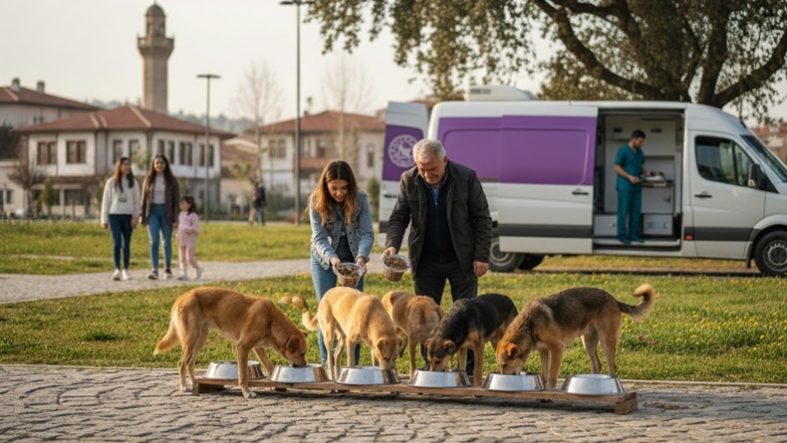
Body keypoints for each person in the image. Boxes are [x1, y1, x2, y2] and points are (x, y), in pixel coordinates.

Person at [383, 138, 492, 376]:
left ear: (445, 160)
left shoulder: (466, 177)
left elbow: (482, 218)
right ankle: (430, 369)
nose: (426, 174)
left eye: (431, 168)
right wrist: (392, 246)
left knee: (465, 315)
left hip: (461, 259)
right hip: (426, 261)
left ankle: (468, 371)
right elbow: (399, 217)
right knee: (424, 321)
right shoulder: (409, 179)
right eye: (421, 168)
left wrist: (481, 255)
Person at [309, 160, 374, 365]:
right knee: (326, 311)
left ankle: (351, 366)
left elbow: (366, 233)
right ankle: (328, 365)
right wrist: (333, 258)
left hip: (354, 260)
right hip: (325, 259)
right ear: (326, 186)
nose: (339, 193)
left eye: (344, 188)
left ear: (351, 186)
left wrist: (362, 257)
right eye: (334, 188)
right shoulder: (316, 201)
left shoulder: (361, 199)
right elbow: (318, 238)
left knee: (356, 312)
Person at [140, 154, 180, 280]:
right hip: (152, 212)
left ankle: (167, 269)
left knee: (166, 242)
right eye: (157, 163)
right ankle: (154, 270)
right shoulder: (148, 179)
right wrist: (142, 215)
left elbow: (176, 199)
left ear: (165, 164)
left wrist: (176, 217)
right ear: (153, 164)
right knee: (154, 241)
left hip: (166, 212)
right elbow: (143, 199)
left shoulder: (172, 180)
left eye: (161, 163)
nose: (159, 165)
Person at [100, 157, 140, 281]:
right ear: (119, 166)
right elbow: (105, 201)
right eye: (124, 165)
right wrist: (104, 220)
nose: (127, 167)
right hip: (114, 216)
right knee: (117, 243)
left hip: (128, 217)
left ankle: (126, 270)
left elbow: (137, 202)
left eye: (128, 164)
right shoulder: (111, 182)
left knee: (126, 244)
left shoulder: (133, 182)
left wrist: (135, 217)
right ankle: (117, 269)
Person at [614, 129, 647, 244]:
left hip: (637, 187)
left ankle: (634, 236)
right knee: (623, 212)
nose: (641, 144)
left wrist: (644, 171)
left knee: (635, 212)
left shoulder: (639, 152)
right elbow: (616, 167)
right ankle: (622, 237)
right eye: (640, 141)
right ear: (633, 139)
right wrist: (629, 177)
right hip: (625, 187)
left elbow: (640, 166)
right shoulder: (623, 150)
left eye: (642, 142)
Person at [176, 196, 203, 281]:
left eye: (183, 203)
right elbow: (179, 226)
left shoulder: (193, 215)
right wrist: (177, 234)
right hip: (181, 239)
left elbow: (197, 229)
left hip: (190, 239)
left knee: (189, 258)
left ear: (189, 204)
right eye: (180, 203)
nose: (181, 205)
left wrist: (189, 229)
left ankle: (198, 269)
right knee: (182, 257)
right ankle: (184, 274)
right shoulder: (180, 214)